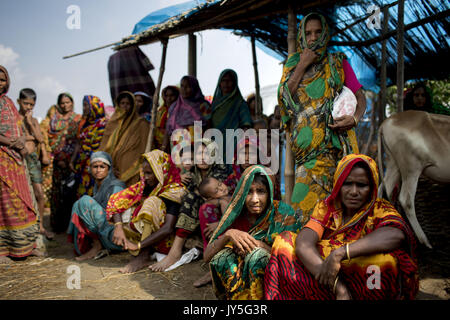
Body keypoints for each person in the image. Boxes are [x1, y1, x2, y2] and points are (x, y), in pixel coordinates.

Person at [264, 154, 419, 300]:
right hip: (327, 278)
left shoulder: (379, 208)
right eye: (347, 184)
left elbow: (395, 234)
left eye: (362, 185)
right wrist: (338, 286)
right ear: (338, 184)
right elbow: (304, 244)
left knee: (384, 262)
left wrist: (341, 253)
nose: (354, 192)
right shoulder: (327, 208)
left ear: (372, 187)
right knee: (284, 242)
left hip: (362, 282)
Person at [279, 13, 366, 225]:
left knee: (337, 213)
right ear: (302, 36)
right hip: (306, 157)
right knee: (303, 214)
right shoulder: (292, 64)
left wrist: (354, 119)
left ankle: (333, 252)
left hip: (335, 151)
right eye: (308, 33)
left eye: (318, 32)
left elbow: (361, 100)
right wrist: (302, 65)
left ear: (325, 34)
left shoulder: (337, 63)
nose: (313, 37)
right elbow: (284, 100)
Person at [204, 165, 302, 300]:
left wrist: (256, 244)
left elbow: (291, 259)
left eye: (261, 191)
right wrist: (229, 234)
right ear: (242, 193)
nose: (254, 199)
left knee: (256, 256)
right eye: (249, 192)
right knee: (222, 258)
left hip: (277, 279)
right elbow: (207, 256)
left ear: (270, 193)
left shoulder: (283, 214)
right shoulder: (237, 213)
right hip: (241, 278)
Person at [149, 139, 228, 272]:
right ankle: (171, 243)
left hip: (218, 215)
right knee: (176, 196)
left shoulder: (221, 171)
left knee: (190, 197)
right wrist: (179, 178)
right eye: (199, 154)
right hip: (197, 217)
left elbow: (224, 197)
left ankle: (175, 251)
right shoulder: (191, 173)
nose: (203, 158)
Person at [106, 150, 186, 273]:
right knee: (126, 208)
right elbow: (117, 201)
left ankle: (143, 255)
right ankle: (140, 252)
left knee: (151, 202)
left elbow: (168, 228)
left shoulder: (174, 191)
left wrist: (139, 246)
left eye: (150, 173)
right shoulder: (146, 185)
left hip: (166, 242)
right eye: (145, 173)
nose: (146, 177)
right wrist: (118, 227)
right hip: (148, 238)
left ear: (161, 171)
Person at [0, 65, 44, 263]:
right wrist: (11, 142)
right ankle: (4, 249)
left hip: (17, 160)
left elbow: (19, 131)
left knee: (23, 200)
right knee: (5, 203)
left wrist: (22, 143)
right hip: (2, 159)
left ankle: (26, 245)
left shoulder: (8, 102)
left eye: (2, 79)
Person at [67, 151, 127, 261]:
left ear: (108, 169)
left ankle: (97, 245)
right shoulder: (97, 186)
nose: (98, 170)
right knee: (78, 204)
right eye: (95, 166)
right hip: (105, 230)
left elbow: (117, 211)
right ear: (90, 168)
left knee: (85, 201)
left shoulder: (116, 186)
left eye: (102, 167)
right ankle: (97, 244)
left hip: (117, 236)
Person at [16, 88, 54, 240]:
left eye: (32, 105)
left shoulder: (33, 121)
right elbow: (16, 138)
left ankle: (41, 226)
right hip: (18, 159)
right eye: (26, 104)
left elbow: (39, 138)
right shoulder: (14, 118)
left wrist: (30, 125)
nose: (29, 107)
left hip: (33, 159)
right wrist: (27, 138)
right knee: (22, 193)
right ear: (19, 102)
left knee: (39, 192)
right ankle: (23, 225)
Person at [41, 93, 82, 233]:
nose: (65, 105)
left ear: (72, 103)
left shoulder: (78, 119)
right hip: (56, 162)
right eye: (62, 103)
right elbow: (48, 137)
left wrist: (69, 160)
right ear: (59, 104)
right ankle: (57, 225)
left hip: (72, 162)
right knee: (56, 192)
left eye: (68, 102)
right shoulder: (53, 119)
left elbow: (78, 140)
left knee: (70, 193)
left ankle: (72, 226)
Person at [99, 91, 150, 186]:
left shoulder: (141, 123)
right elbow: (104, 148)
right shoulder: (112, 124)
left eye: (128, 104)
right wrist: (108, 168)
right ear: (118, 105)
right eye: (122, 103)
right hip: (112, 170)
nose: (125, 106)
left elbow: (145, 149)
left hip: (132, 170)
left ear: (133, 106)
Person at [70, 95, 107, 198]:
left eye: (86, 105)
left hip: (96, 166)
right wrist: (72, 160)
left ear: (94, 107)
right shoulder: (84, 124)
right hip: (82, 166)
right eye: (83, 105)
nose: (83, 108)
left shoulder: (104, 124)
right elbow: (79, 143)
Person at [210, 69, 253, 157]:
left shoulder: (240, 103)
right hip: (214, 142)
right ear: (219, 83)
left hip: (234, 144)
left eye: (229, 81)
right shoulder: (214, 104)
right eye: (223, 80)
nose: (226, 83)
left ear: (235, 83)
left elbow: (246, 125)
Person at [165, 76, 211, 151]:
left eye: (188, 86)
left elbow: (209, 128)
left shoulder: (203, 105)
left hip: (197, 147)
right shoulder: (174, 107)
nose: (184, 89)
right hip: (177, 147)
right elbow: (168, 129)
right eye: (182, 86)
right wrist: (164, 147)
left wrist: (206, 146)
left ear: (194, 87)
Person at [157, 85, 179, 152]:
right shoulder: (160, 111)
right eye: (166, 96)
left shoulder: (180, 111)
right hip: (160, 145)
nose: (169, 98)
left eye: (172, 96)